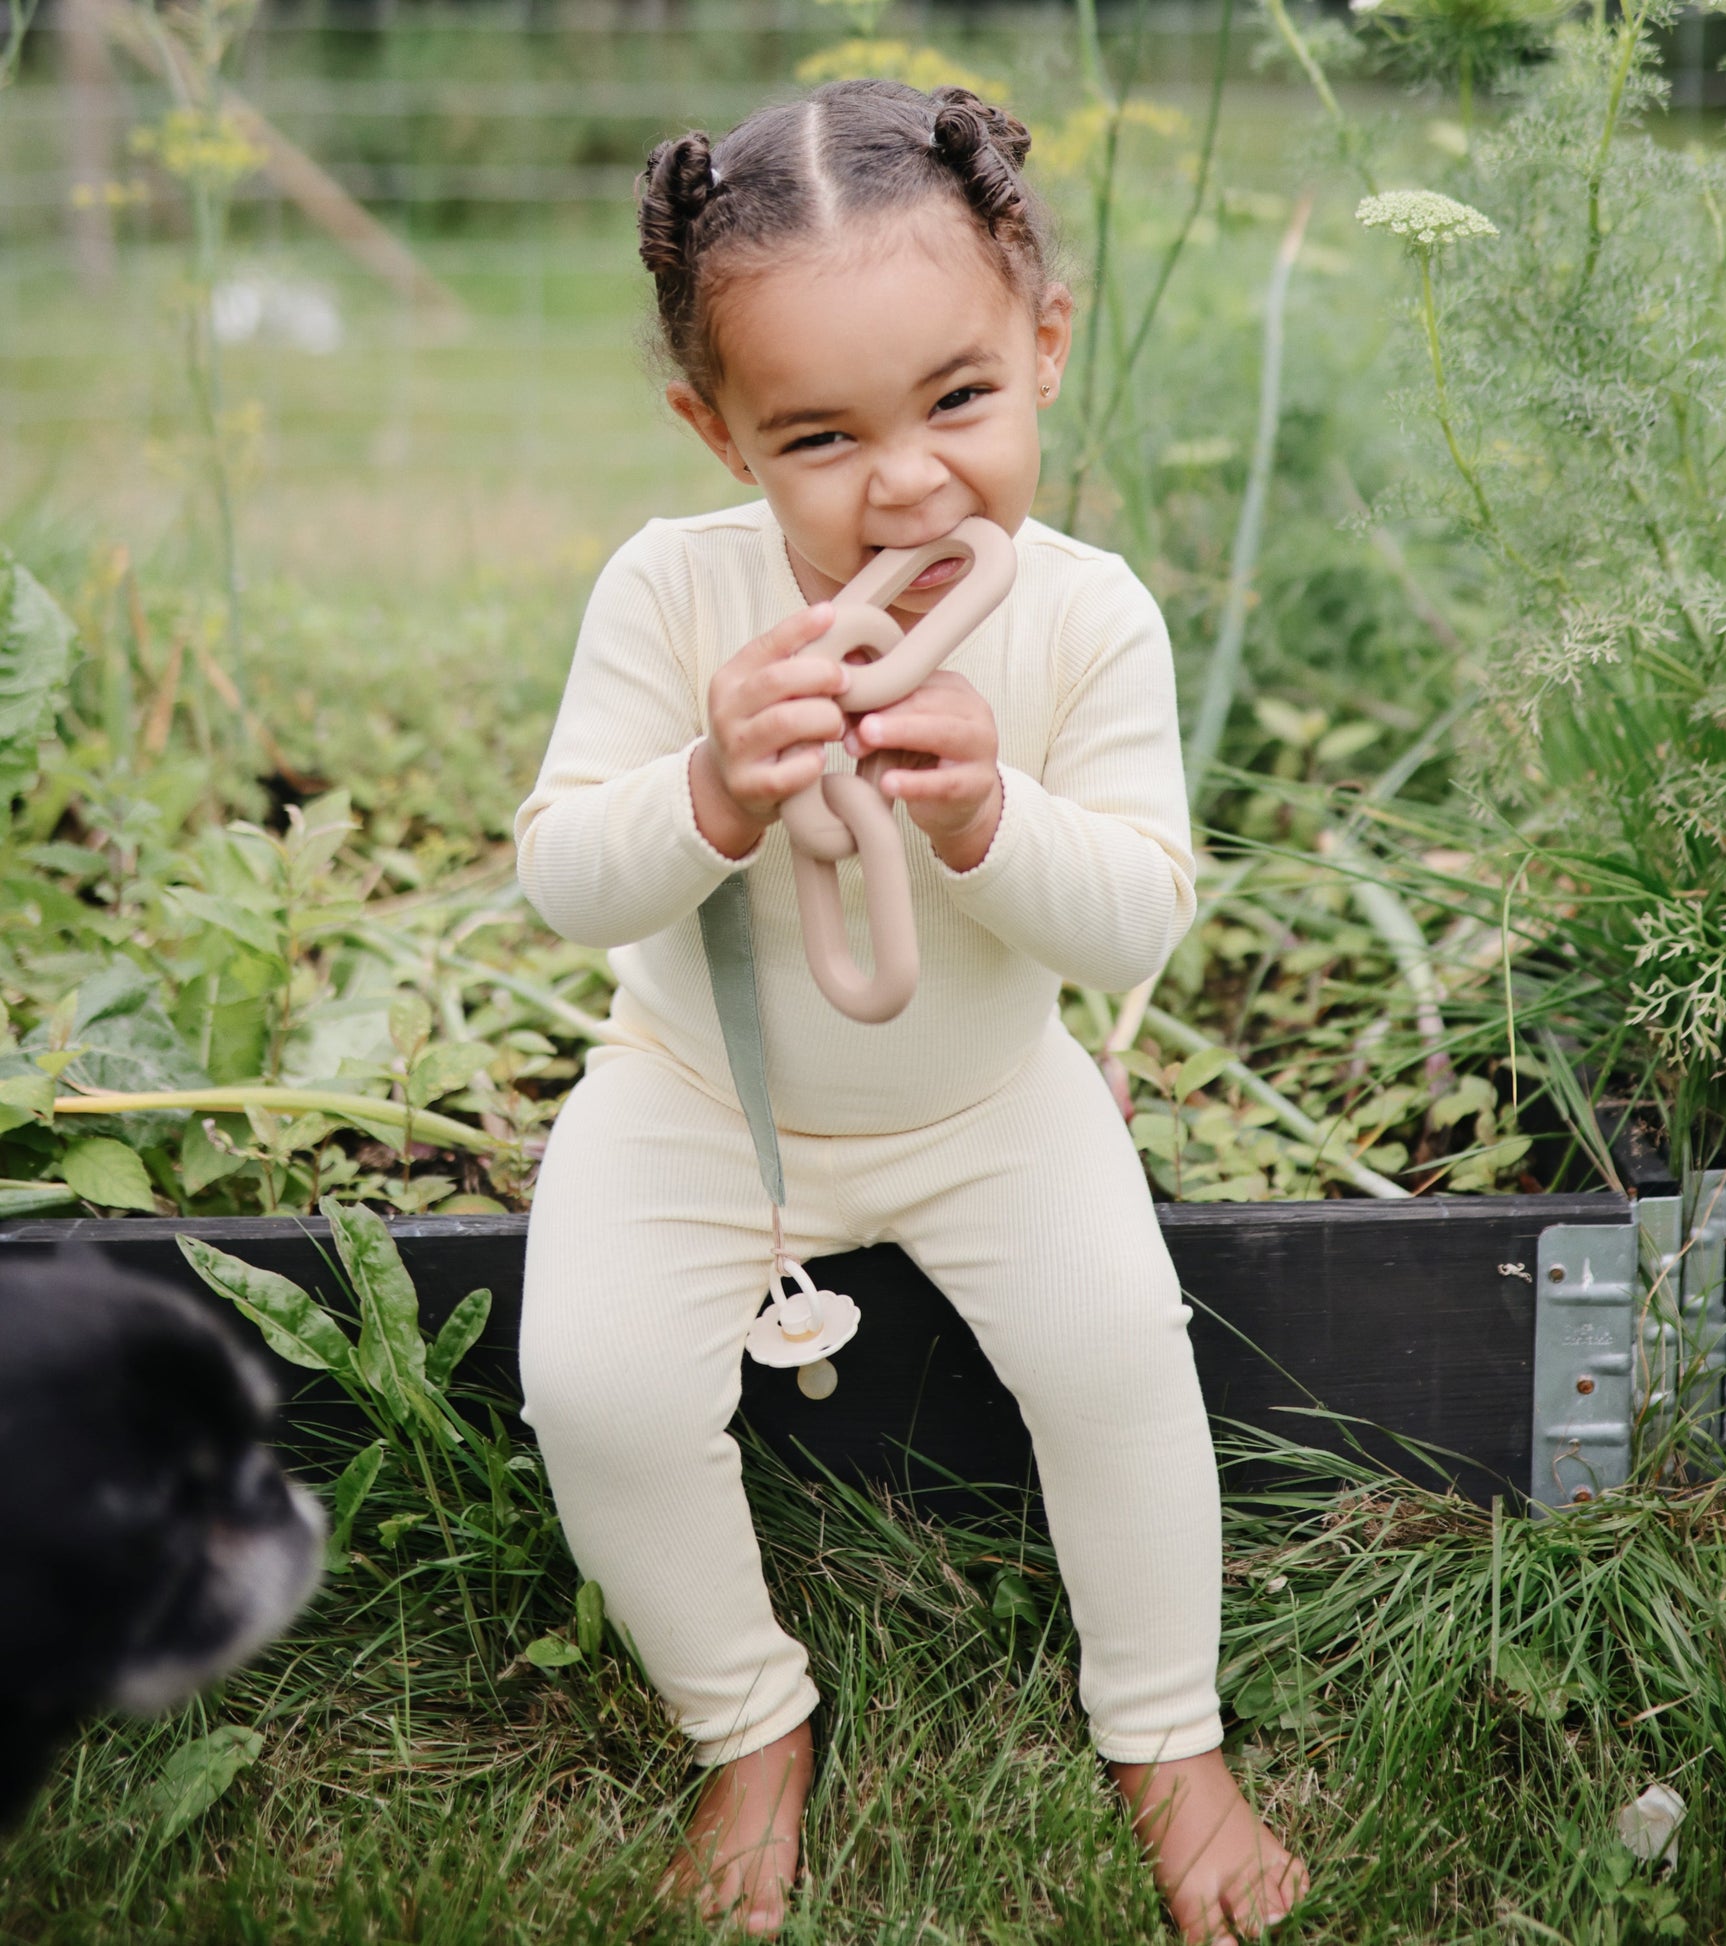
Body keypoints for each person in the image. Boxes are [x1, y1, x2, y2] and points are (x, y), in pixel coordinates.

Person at [512, 76, 1306, 1944]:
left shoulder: (1083, 618)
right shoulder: (671, 596)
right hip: (704, 1093)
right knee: (598, 1388)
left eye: (958, 399)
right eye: (818, 435)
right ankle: (746, 1717)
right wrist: (707, 789)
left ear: (1041, 342)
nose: (904, 482)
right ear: (720, 434)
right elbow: (566, 874)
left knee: (1119, 1360)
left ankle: (1166, 1732)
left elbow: (1131, 919)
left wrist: (984, 815)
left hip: (990, 1100)